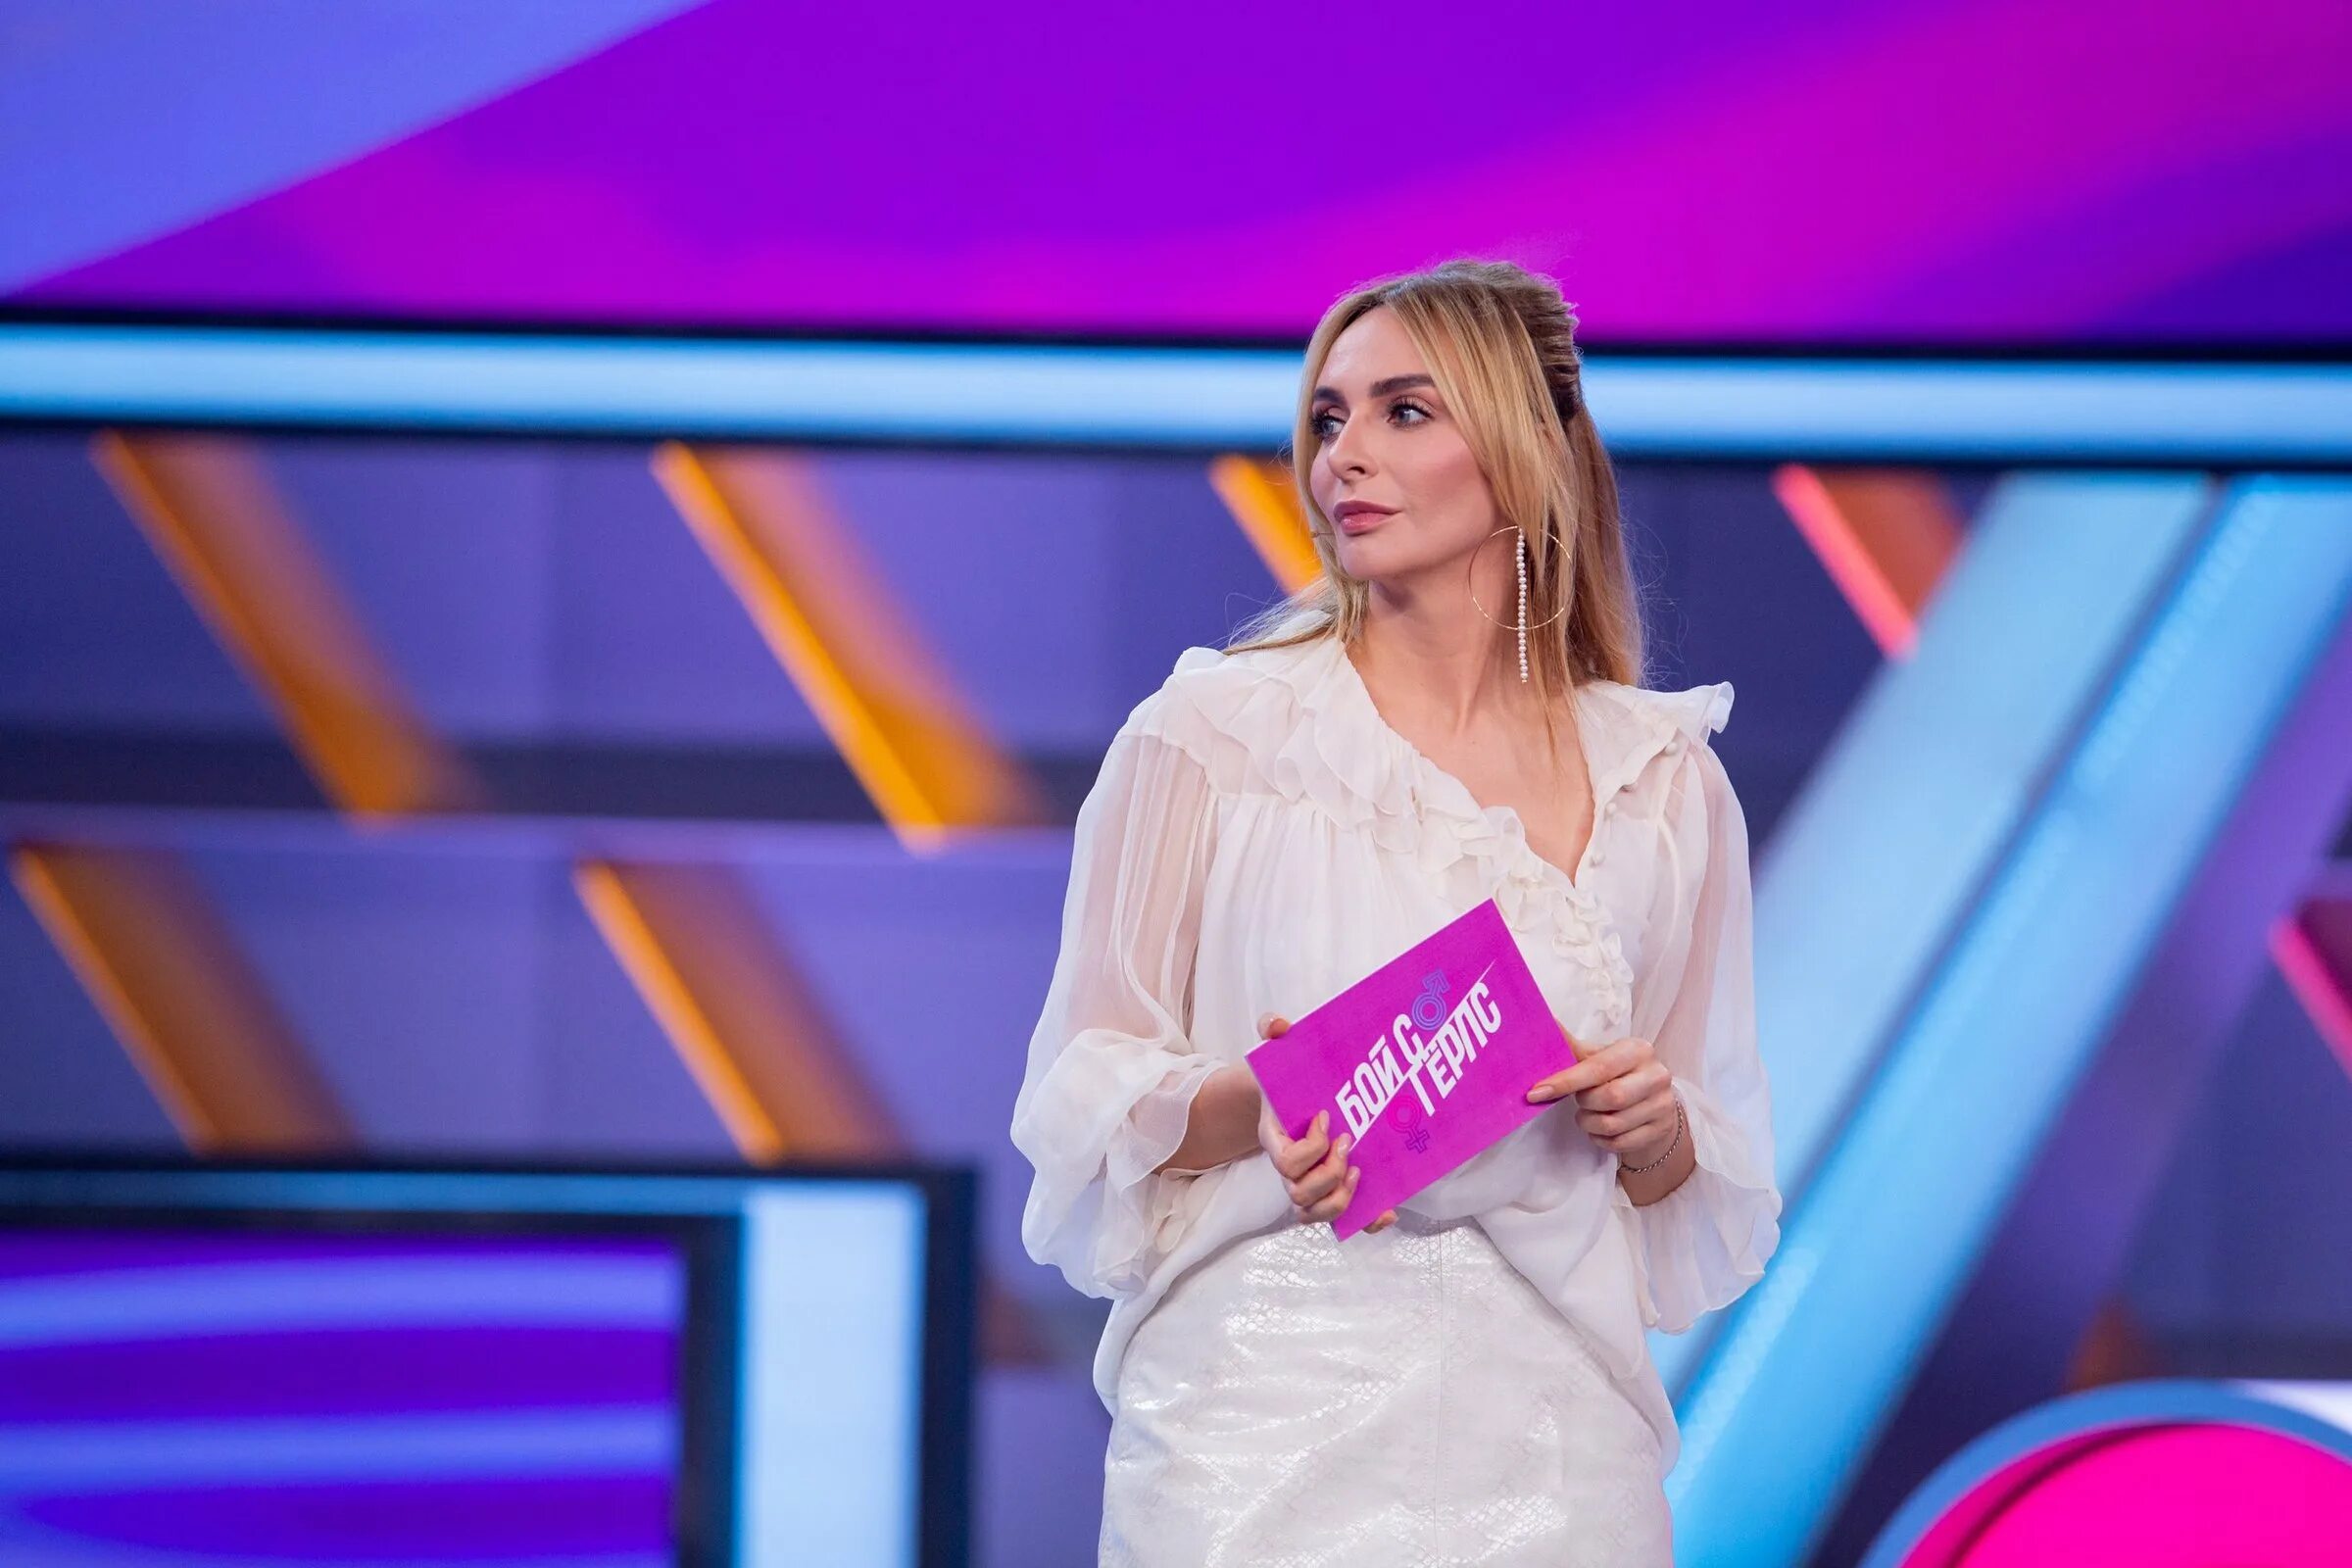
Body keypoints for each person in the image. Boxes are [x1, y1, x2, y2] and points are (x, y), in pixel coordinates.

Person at [1009, 259, 1781, 1567]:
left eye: (1404, 412)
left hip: (1558, 1449)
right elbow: (1082, 1093)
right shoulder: (1213, 736)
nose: (1343, 458)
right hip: (1255, 1427)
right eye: (1329, 419)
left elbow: (1693, 1190)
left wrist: (1657, 1133)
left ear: (1524, 450)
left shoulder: (1663, 782)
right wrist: (1264, 1101)